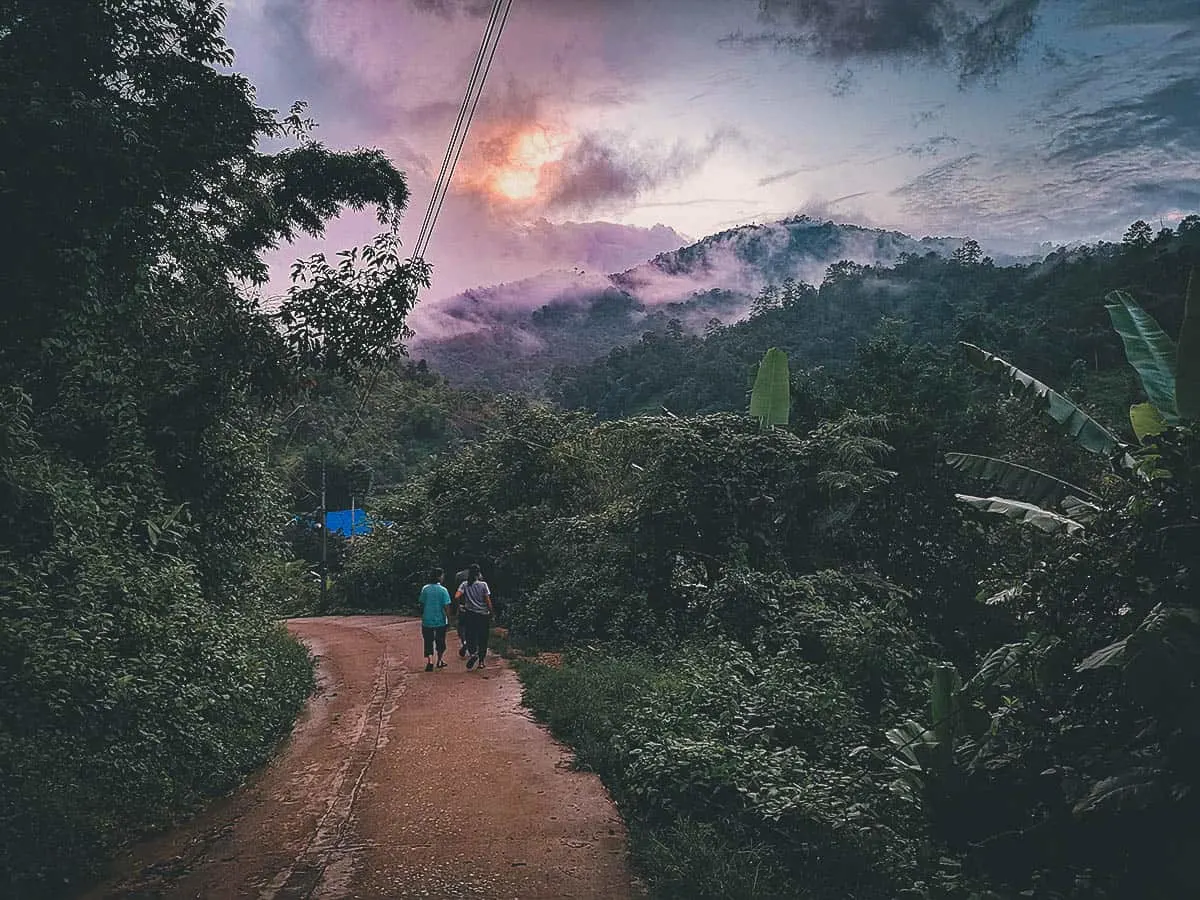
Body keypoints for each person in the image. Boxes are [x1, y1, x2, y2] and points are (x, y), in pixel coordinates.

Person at [454, 563, 493, 670]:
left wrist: (460, 606)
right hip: (483, 615)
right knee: (483, 638)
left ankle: (473, 654)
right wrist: (491, 613)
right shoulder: (483, 585)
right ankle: (481, 662)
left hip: (470, 614)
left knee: (470, 636)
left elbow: (457, 596)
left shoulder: (465, 584)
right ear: (478, 573)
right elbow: (488, 601)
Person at [419, 567, 452, 672]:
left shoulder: (425, 589)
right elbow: (447, 606)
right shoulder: (443, 590)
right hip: (440, 620)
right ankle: (440, 660)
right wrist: (449, 619)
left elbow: (422, 603)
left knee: (428, 641)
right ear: (439, 577)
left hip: (427, 619)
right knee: (440, 641)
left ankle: (430, 661)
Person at [454, 567, 471, 657]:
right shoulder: (479, 575)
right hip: (474, 607)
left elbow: (457, 594)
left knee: (461, 625)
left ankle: (464, 642)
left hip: (463, 605)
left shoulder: (459, 575)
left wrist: (458, 606)